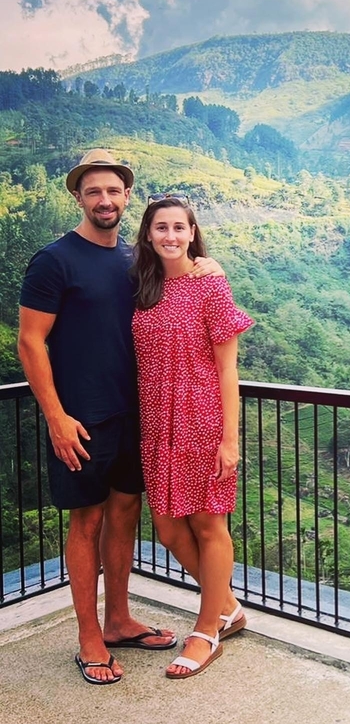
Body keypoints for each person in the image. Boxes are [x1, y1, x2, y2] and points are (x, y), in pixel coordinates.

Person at [16, 149, 228, 686]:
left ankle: (118, 620)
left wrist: (210, 264)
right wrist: (56, 417)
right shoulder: (54, 260)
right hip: (81, 421)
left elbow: (186, 279)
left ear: (126, 197)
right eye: (93, 192)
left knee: (125, 515)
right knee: (85, 522)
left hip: (138, 417)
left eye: (113, 191)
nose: (104, 200)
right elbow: (30, 342)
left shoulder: (136, 264)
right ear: (78, 197)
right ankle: (89, 637)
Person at [131, 195, 253, 679]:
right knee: (166, 528)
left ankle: (207, 632)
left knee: (208, 526)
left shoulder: (211, 284)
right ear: (148, 234)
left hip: (201, 420)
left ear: (192, 233)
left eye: (179, 228)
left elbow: (228, 368)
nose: (170, 236)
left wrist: (230, 439)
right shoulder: (141, 286)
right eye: (161, 227)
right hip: (157, 424)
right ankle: (228, 607)